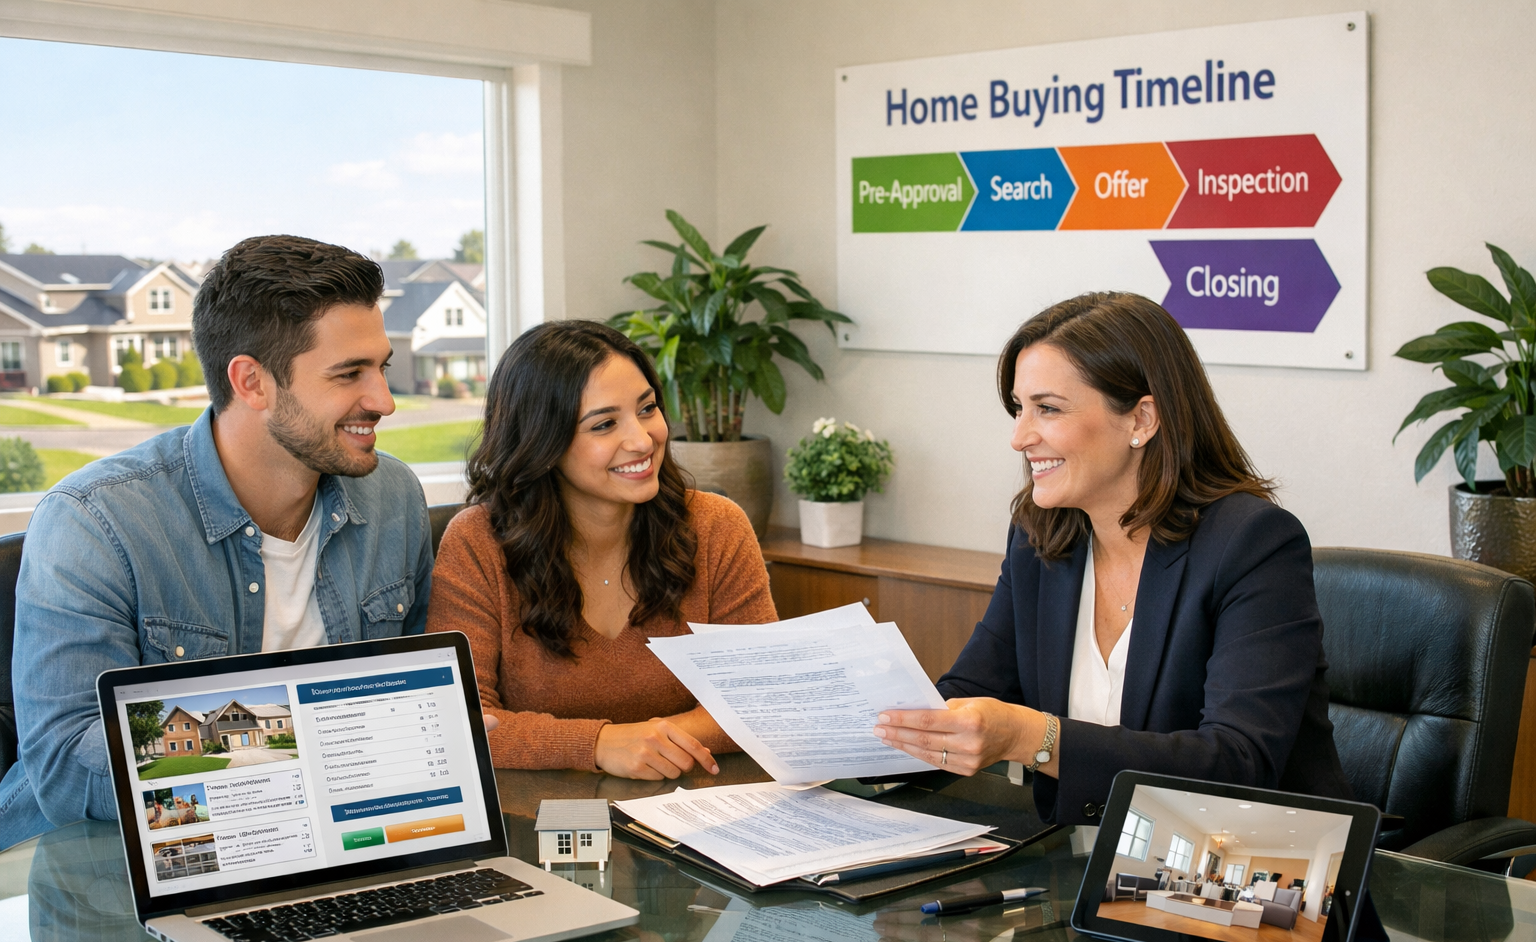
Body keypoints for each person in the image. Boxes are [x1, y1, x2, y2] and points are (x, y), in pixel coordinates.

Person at [0, 235, 437, 849]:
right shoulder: (93, 521)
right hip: (101, 872)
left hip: (323, 847)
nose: (385, 401)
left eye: (382, 366)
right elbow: (67, 770)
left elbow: (411, 701)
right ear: (251, 382)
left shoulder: (392, 495)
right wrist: (313, 743)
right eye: (349, 374)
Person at [872, 292, 1350, 825]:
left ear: (1142, 419)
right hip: (1079, 865)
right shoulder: (1041, 538)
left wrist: (1034, 737)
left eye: (1047, 409)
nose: (1019, 437)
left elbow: (1237, 766)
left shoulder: (1253, 544)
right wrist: (856, 725)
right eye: (1018, 408)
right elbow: (970, 695)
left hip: (1243, 880)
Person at [427, 320, 776, 780]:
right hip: (533, 821)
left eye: (648, 408)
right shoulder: (477, 542)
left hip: (692, 809)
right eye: (605, 424)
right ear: (543, 442)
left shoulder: (716, 526)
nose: (642, 439)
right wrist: (596, 743)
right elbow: (458, 722)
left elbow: (763, 701)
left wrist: (646, 742)